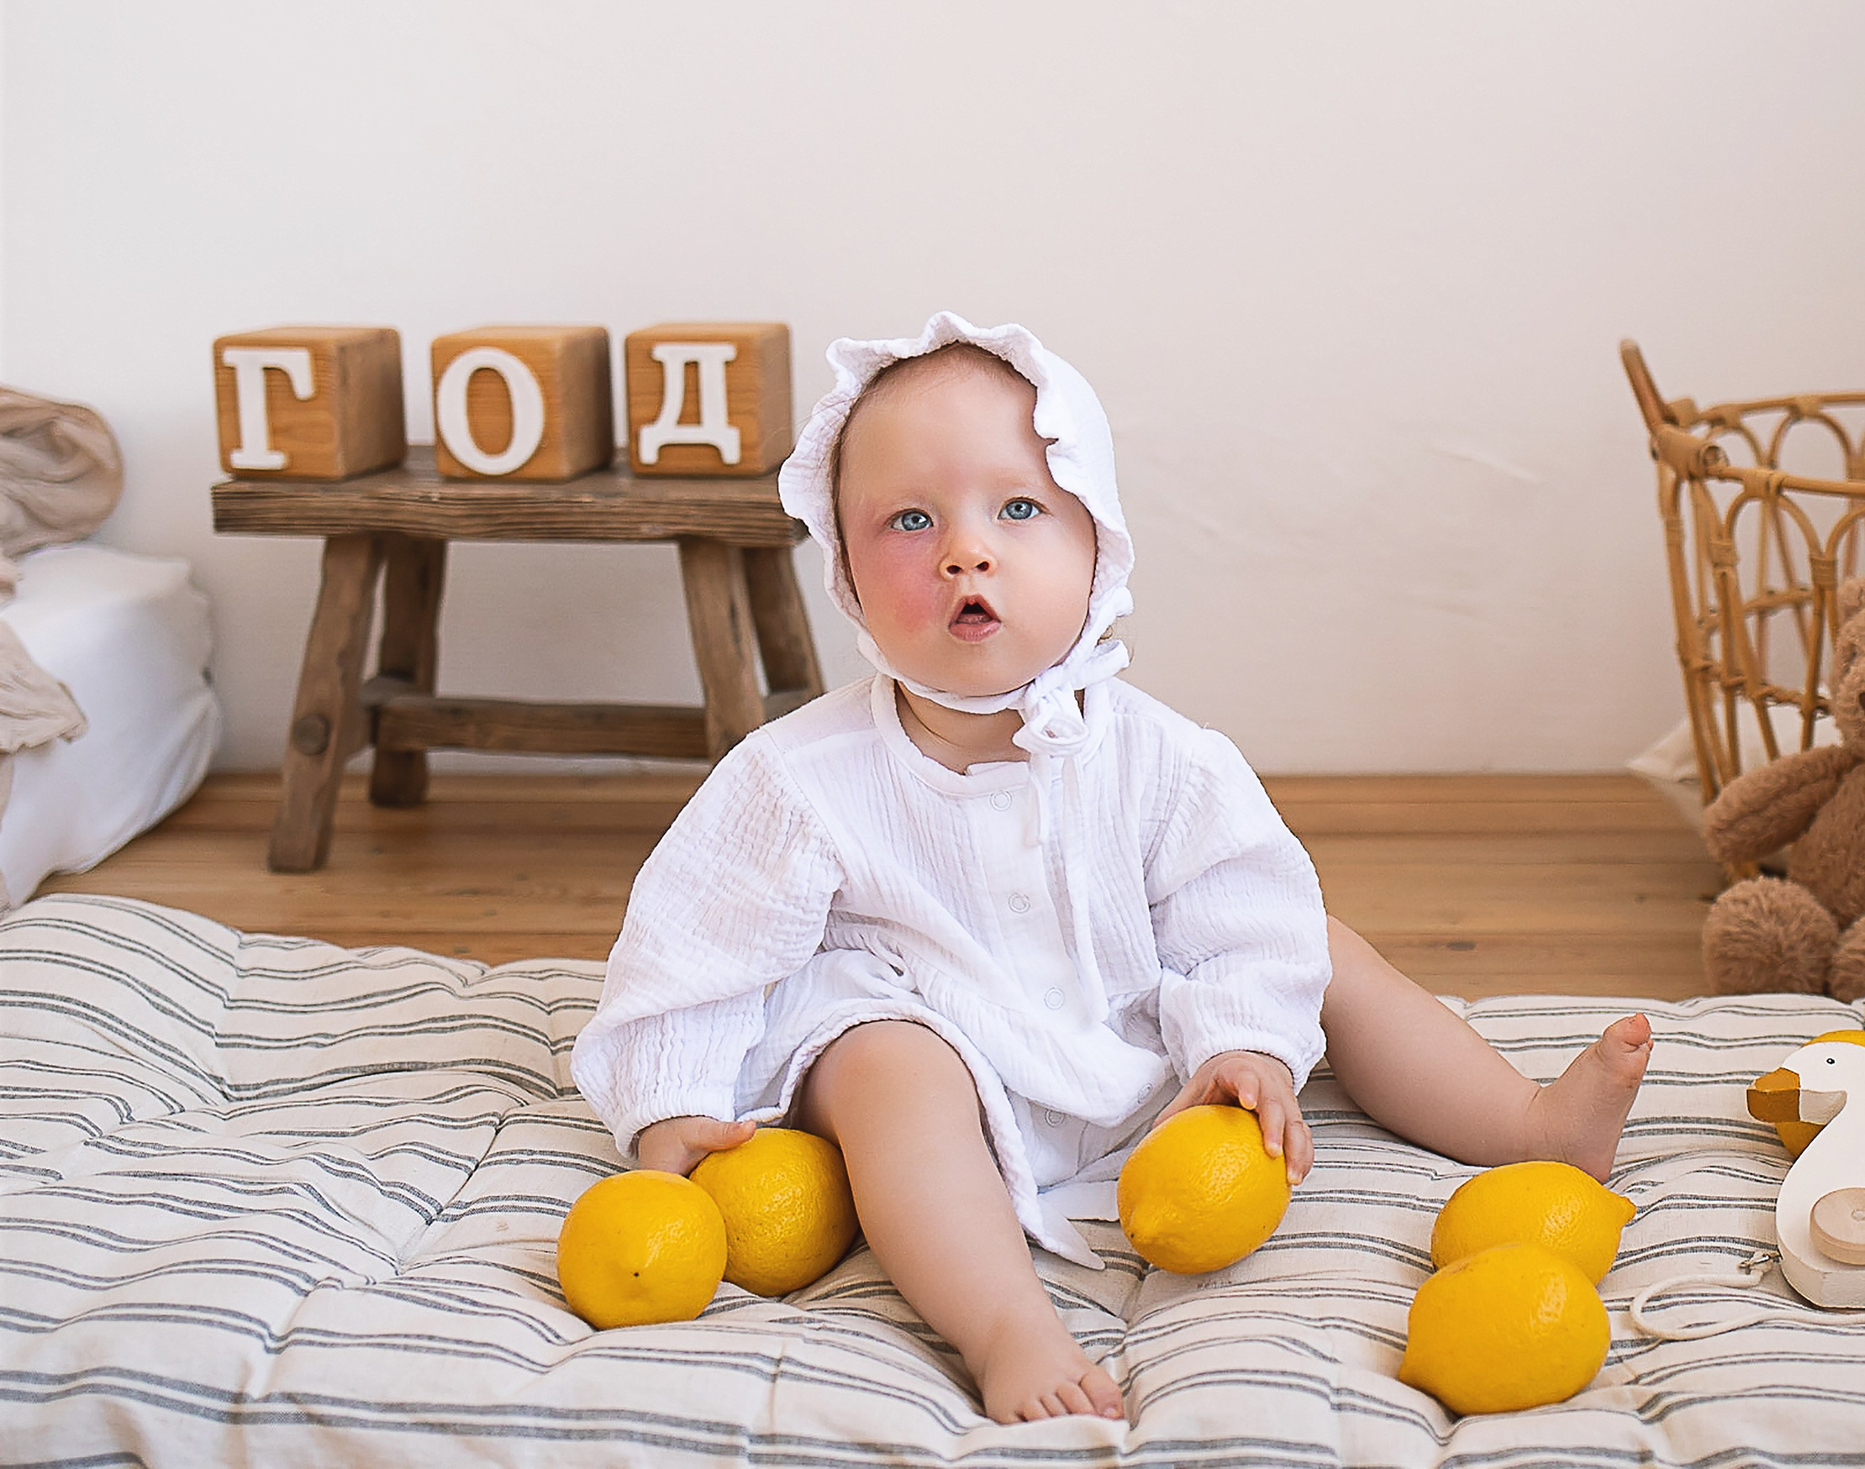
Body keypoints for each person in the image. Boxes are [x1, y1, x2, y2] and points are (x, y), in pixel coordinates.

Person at [571, 315, 1652, 1424]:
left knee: (1314, 942)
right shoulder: (795, 776)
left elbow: (1245, 921)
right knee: (884, 1065)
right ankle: (1005, 1325)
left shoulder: (1166, 760)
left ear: (1099, 543)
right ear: (843, 568)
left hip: (1133, 1030)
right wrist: (670, 1107)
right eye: (909, 520)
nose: (964, 551)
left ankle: (1528, 1127)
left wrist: (1244, 1042)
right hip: (928, 1032)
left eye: (1018, 508)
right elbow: (694, 946)